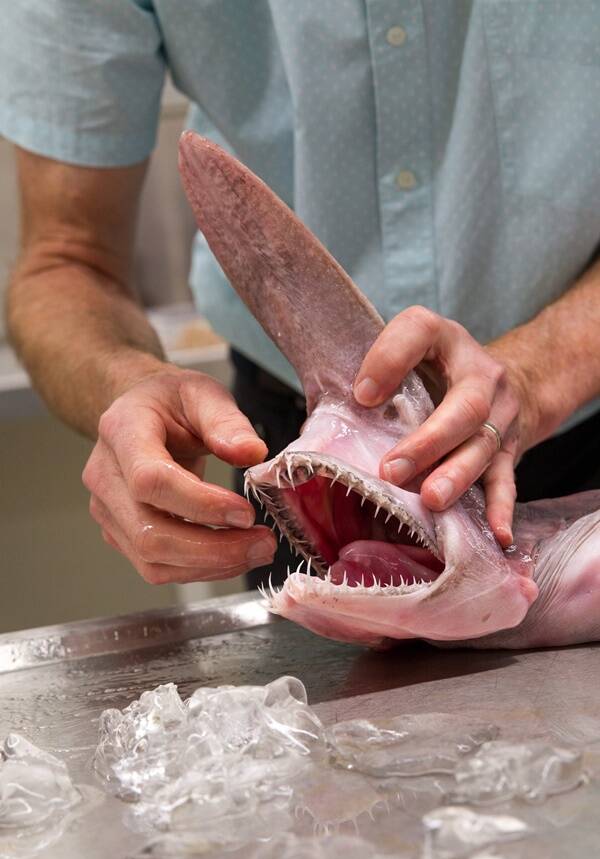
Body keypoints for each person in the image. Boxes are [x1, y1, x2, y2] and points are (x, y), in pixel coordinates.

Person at [2, 3, 600, 590]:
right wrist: (126, 386)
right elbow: (66, 261)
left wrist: (533, 372)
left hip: (577, 418)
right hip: (308, 477)